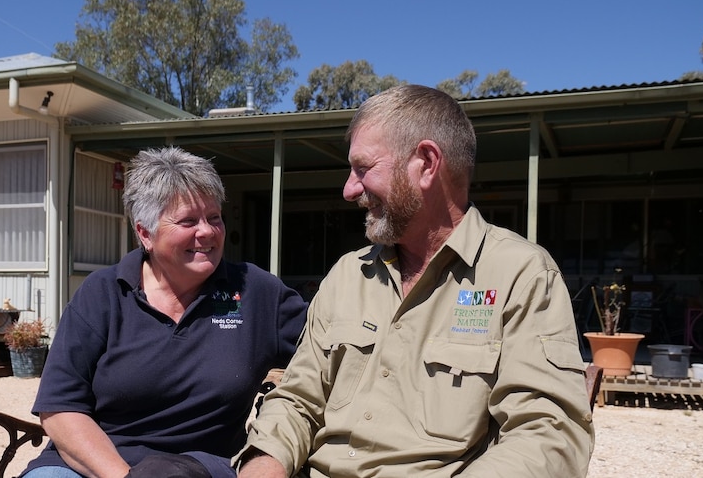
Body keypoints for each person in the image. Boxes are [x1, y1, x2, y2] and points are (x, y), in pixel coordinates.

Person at [234, 85, 595, 477]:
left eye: (363, 168)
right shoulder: (346, 276)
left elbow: (548, 435)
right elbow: (298, 400)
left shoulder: (521, 276)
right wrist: (263, 464)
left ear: (425, 163)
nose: (349, 189)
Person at [21, 147, 308, 478]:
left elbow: (327, 349)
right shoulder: (102, 294)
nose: (208, 232)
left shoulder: (256, 291)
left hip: (202, 465)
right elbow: (60, 408)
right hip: (97, 463)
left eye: (214, 217)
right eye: (188, 221)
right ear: (145, 233)